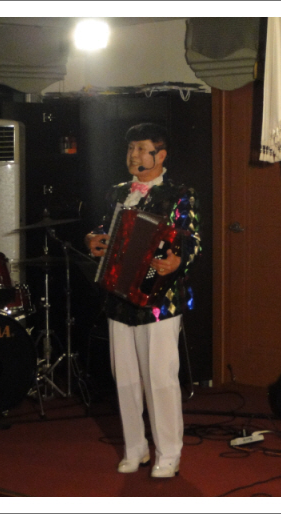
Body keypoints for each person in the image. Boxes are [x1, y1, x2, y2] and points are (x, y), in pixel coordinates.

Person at [85, 123, 201, 478]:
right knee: (125, 378)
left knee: (160, 378)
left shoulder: (179, 194)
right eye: (130, 149)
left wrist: (178, 259)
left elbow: (192, 239)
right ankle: (135, 448)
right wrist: (93, 240)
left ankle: (169, 453)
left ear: (160, 155)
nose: (132, 155)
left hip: (159, 297)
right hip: (119, 295)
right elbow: (106, 230)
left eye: (140, 149)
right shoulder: (118, 193)